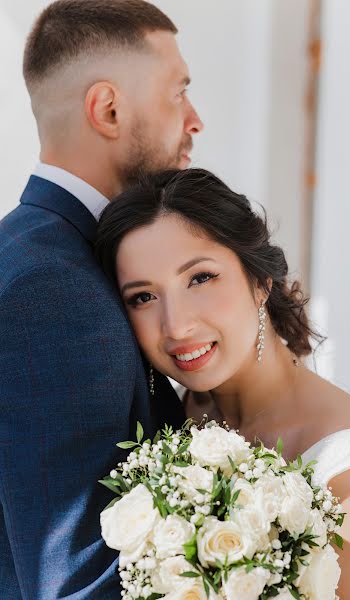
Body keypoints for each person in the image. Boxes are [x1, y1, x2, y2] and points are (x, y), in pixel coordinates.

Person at [95, 168, 350, 599]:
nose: (176, 326)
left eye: (200, 278)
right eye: (143, 297)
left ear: (260, 281)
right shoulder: (176, 417)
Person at [0, 1, 203, 598]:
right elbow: (75, 582)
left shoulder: (39, 247)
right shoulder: (51, 286)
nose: (195, 119)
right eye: (178, 92)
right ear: (108, 109)